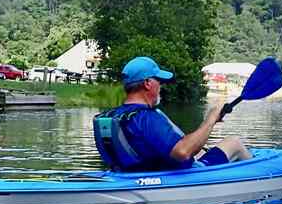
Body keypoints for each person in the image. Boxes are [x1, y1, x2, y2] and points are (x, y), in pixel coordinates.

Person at [93, 56, 251, 172]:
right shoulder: (148, 117)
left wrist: (207, 127)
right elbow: (182, 152)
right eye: (159, 81)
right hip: (173, 177)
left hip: (133, 175)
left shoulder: (114, 115)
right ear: (148, 83)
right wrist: (210, 121)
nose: (161, 86)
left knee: (201, 151)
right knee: (234, 142)